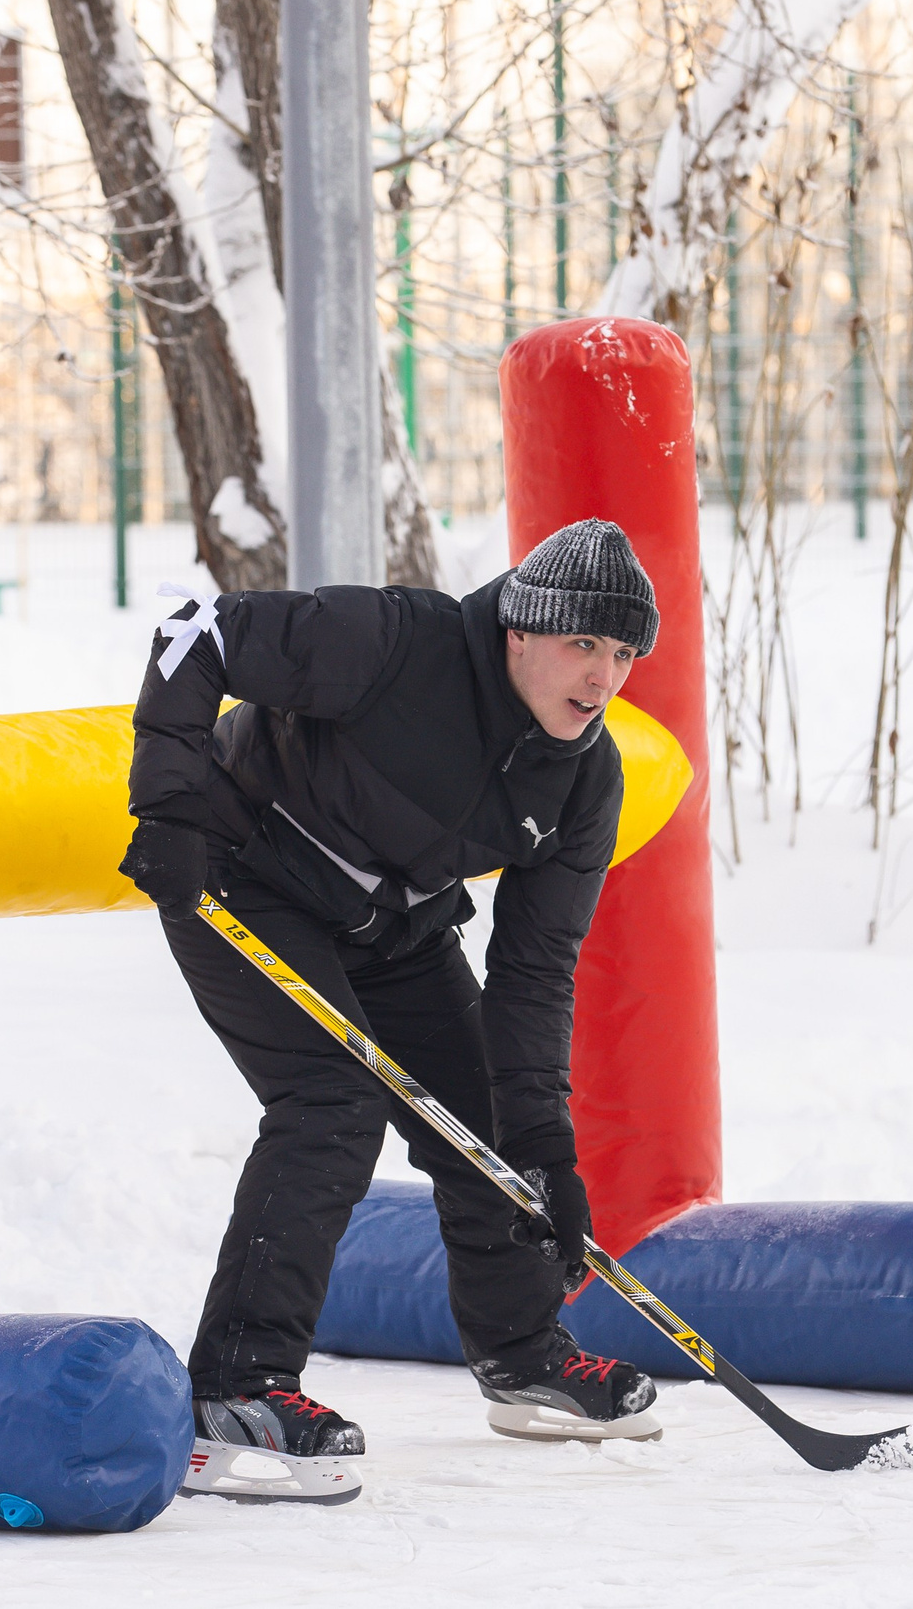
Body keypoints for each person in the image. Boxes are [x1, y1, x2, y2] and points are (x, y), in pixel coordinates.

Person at [120, 518, 665, 1501]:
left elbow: (535, 972)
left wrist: (543, 1148)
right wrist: (166, 808)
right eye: (583, 643)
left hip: (393, 921)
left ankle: (522, 1355)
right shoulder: (399, 642)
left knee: (488, 1128)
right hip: (244, 874)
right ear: (520, 629)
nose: (604, 676)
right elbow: (198, 626)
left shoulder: (585, 776)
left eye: (623, 652)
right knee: (331, 1102)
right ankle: (231, 1388)